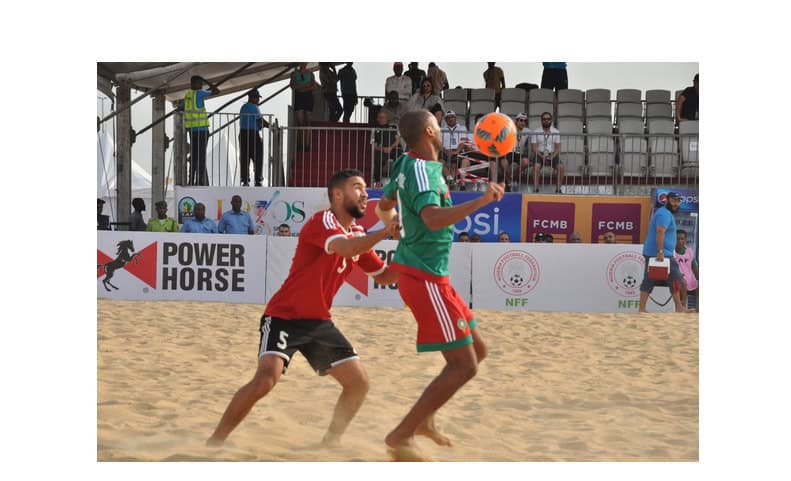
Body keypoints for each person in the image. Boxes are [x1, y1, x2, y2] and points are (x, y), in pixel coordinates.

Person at [207, 169, 401, 447]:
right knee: (265, 380)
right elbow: (346, 249)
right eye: (357, 187)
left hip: (318, 322)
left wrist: (412, 249)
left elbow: (384, 275)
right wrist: (385, 231)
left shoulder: (357, 231)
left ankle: (329, 444)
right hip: (285, 315)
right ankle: (214, 443)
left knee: (358, 383)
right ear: (337, 194)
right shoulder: (323, 221)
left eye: (366, 187)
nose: (365, 193)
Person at [376, 109, 505, 461]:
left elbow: (384, 205)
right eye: (439, 124)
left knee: (477, 351)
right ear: (431, 131)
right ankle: (401, 434)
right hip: (424, 277)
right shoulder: (420, 170)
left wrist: (394, 225)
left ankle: (425, 421)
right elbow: (432, 220)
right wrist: (481, 200)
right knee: (465, 365)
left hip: (431, 276)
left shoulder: (406, 163)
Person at [638, 192, 685, 313]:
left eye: (678, 201)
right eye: (673, 200)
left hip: (660, 253)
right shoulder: (664, 214)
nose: (676, 203)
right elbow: (660, 232)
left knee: (650, 279)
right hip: (660, 253)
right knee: (675, 279)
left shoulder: (665, 213)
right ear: (667, 200)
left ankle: (642, 308)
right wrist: (660, 251)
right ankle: (679, 308)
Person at [184, 75, 220, 186]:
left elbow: (182, 106)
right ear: (194, 83)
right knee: (201, 157)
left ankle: (191, 180)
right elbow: (216, 91)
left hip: (192, 130)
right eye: (200, 83)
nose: (201, 86)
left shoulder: (188, 94)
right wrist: (207, 81)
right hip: (202, 129)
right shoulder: (199, 93)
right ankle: (199, 180)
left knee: (194, 156)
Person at [239, 89, 269, 187]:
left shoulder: (243, 107)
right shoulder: (254, 107)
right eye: (256, 98)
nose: (258, 100)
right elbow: (260, 121)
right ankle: (258, 179)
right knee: (257, 156)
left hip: (242, 134)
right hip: (252, 133)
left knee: (245, 157)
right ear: (251, 98)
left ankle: (245, 179)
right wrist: (271, 126)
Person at [528, 112, 564, 193]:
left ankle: (558, 189)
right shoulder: (536, 131)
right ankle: (536, 189)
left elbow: (557, 148)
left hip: (552, 153)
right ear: (541, 120)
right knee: (536, 166)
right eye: (544, 119)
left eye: (548, 119)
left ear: (551, 120)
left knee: (561, 167)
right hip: (539, 153)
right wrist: (541, 156)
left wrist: (552, 156)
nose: (546, 121)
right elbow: (533, 148)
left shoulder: (556, 132)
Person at [501, 113, 530, 191]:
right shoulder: (509, 129)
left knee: (526, 162)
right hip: (509, 152)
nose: (523, 123)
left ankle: (512, 178)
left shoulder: (527, 131)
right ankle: (510, 182)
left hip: (519, 153)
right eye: (521, 120)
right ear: (516, 121)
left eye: (525, 121)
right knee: (503, 163)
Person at [371, 110, 402, 187]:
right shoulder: (375, 129)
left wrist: (390, 148)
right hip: (381, 150)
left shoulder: (393, 127)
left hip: (393, 149)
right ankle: (377, 182)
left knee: (401, 158)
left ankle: (399, 181)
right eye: (379, 117)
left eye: (383, 117)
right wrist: (382, 149)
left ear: (387, 118)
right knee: (377, 159)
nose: (381, 119)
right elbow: (373, 144)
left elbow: (398, 140)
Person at [290, 63, 317, 151]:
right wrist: (306, 87)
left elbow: (314, 86)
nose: (304, 63)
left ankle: (307, 145)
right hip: (299, 98)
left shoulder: (311, 73)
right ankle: (300, 144)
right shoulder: (294, 74)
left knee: (308, 122)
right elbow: (292, 86)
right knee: (300, 123)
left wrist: (301, 87)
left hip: (308, 98)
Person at [440, 110, 471, 184]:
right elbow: (439, 143)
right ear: (445, 120)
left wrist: (456, 151)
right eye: (448, 118)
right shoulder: (442, 129)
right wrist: (445, 151)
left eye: (452, 117)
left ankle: (451, 182)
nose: (450, 119)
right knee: (440, 162)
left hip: (458, 150)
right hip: (445, 151)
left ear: (455, 118)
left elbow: (463, 141)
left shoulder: (462, 128)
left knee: (454, 165)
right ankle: (449, 179)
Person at [675, 229, 699, 311]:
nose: (680, 241)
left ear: (685, 240)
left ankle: (698, 309)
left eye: (682, 239)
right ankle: (683, 307)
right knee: (683, 283)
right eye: (677, 239)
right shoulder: (672, 252)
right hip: (678, 277)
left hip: (690, 277)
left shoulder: (689, 251)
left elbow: (695, 267)